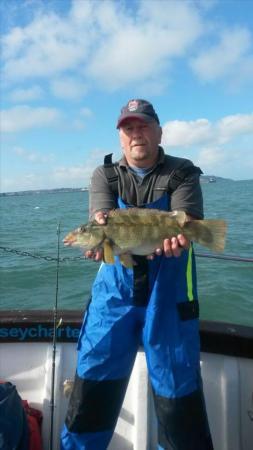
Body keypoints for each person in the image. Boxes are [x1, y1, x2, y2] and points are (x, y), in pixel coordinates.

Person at [61, 99, 214, 450]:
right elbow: (103, 217)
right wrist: (98, 240)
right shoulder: (106, 175)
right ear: (120, 137)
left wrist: (183, 234)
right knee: (92, 392)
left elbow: (186, 219)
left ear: (159, 131)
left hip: (171, 298)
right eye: (128, 128)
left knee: (179, 401)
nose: (136, 134)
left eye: (143, 126)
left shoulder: (183, 171)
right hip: (113, 300)